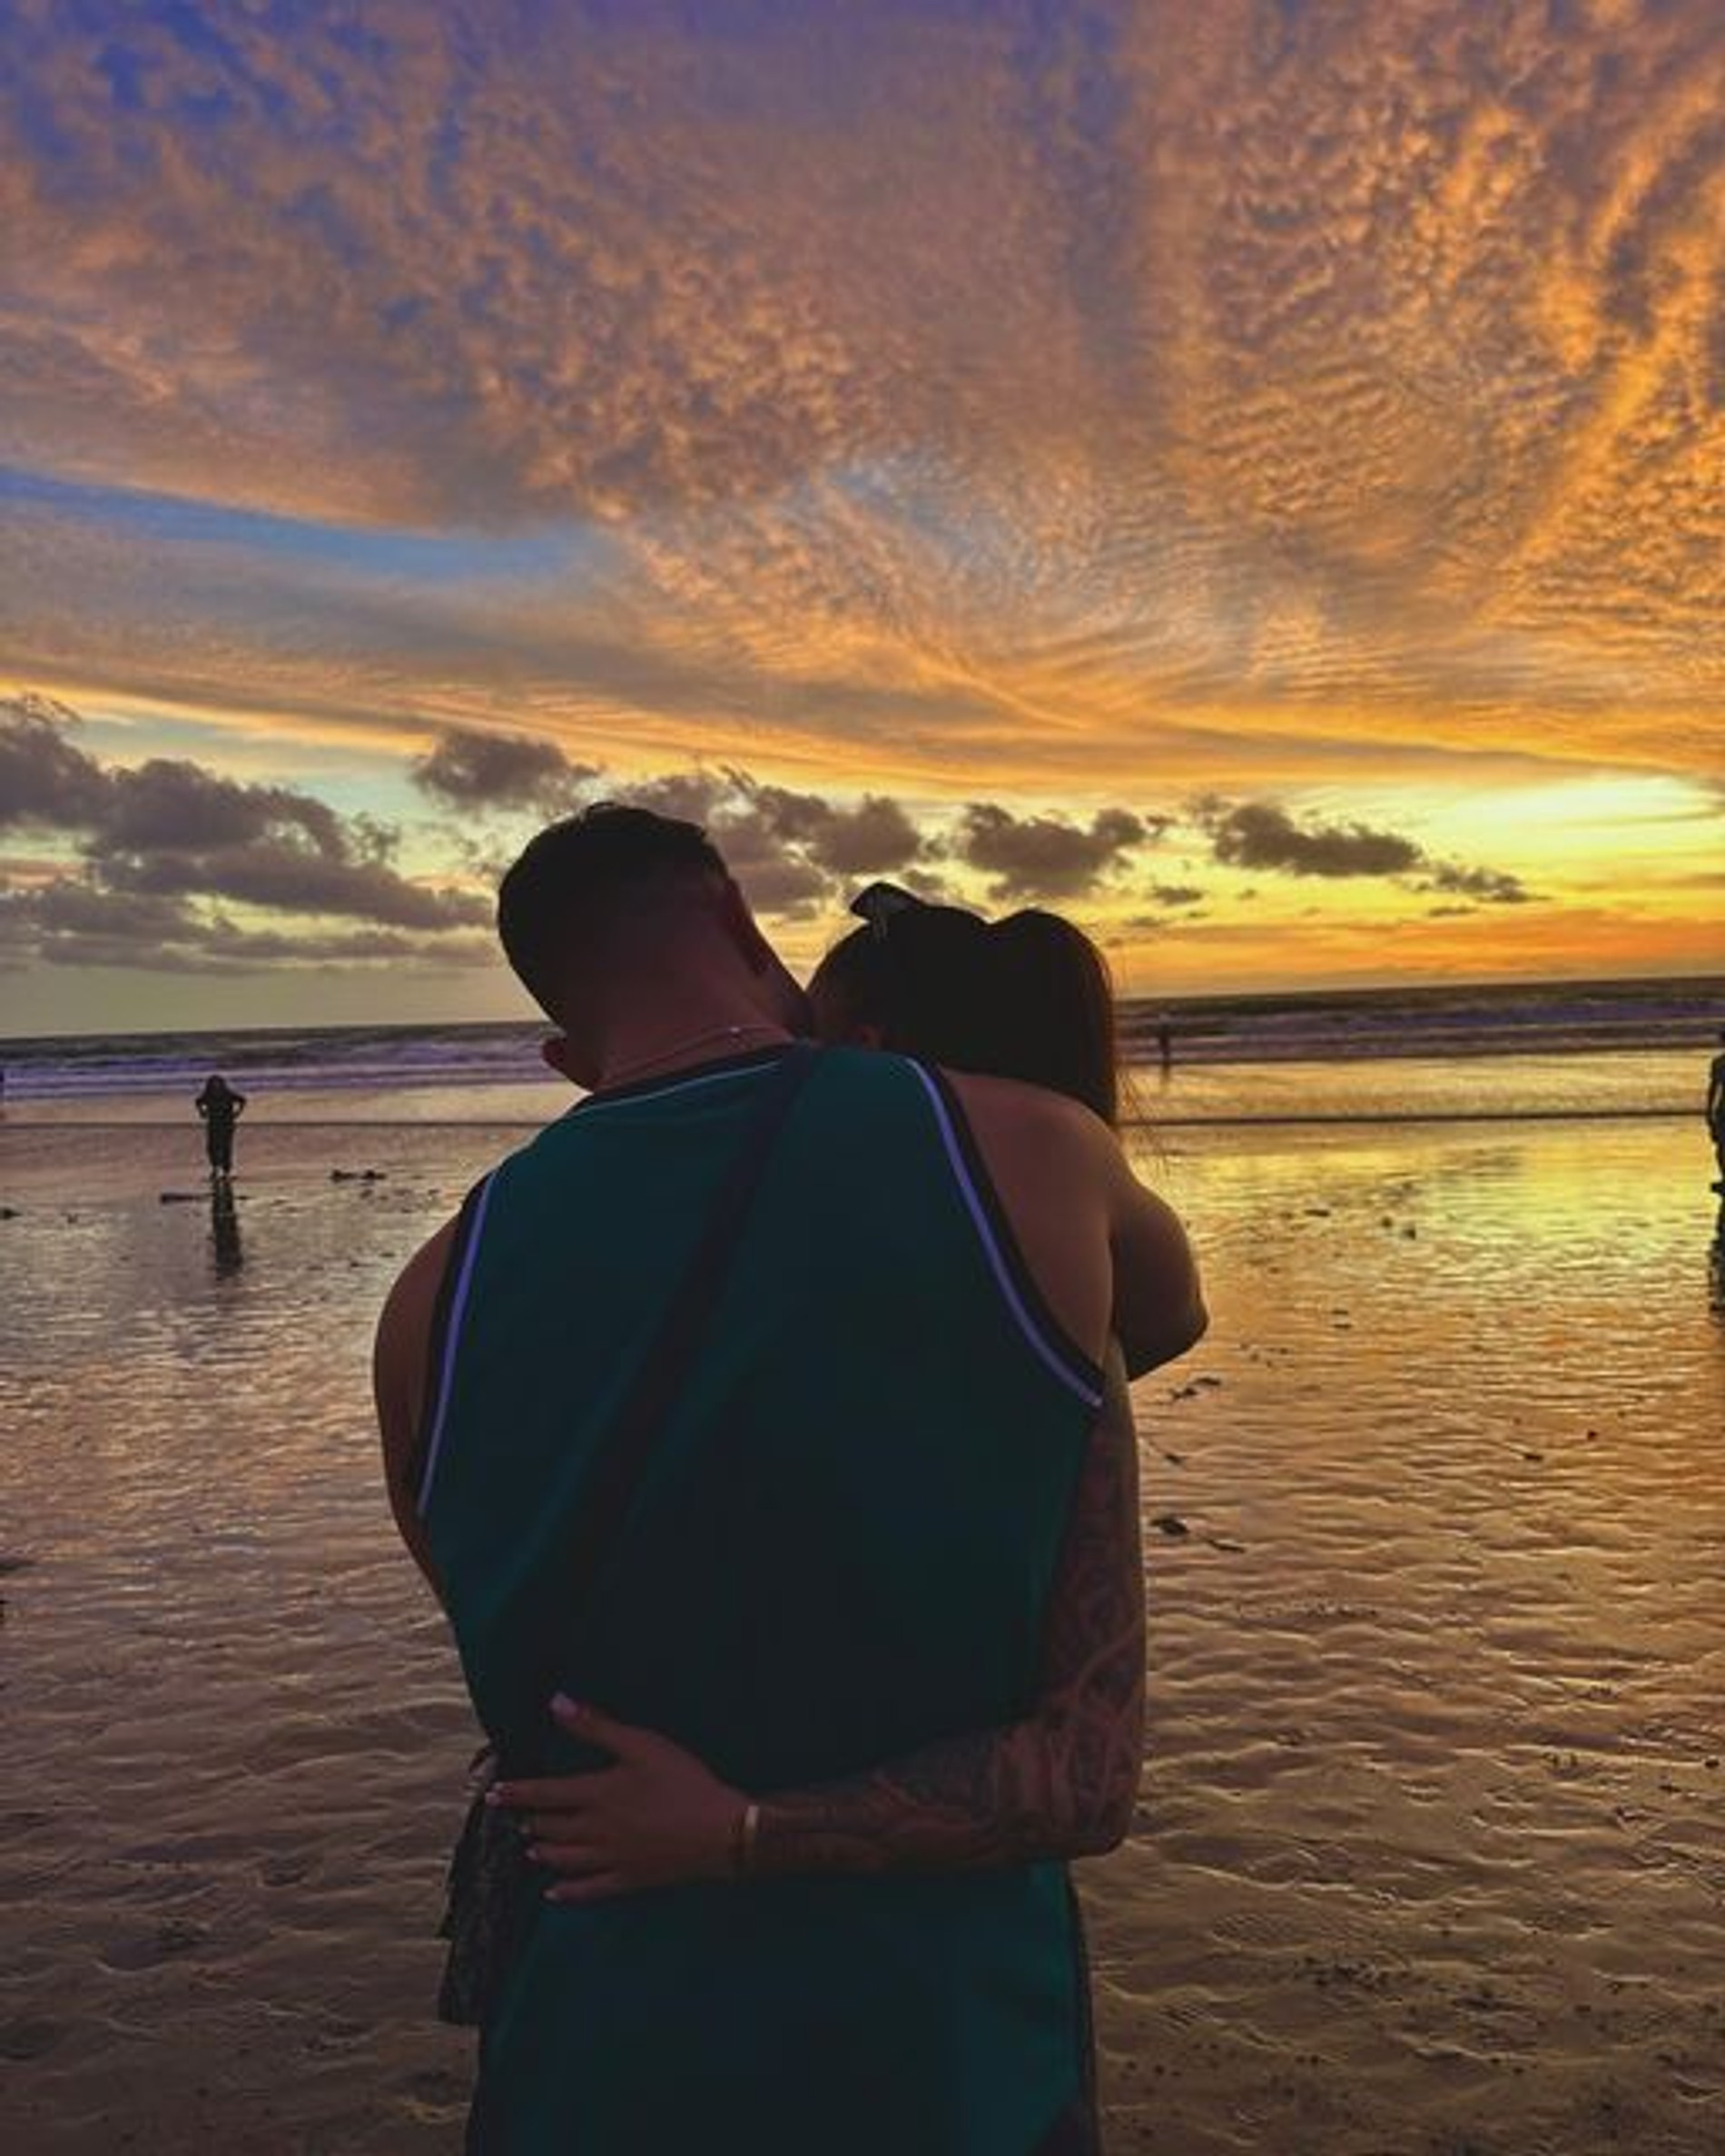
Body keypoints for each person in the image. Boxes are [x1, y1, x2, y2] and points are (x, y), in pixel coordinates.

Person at [374, 809, 1206, 2154]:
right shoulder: (1031, 1154)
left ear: (565, 1057)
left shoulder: (426, 1305)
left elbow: (513, 1636)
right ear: (740, 919)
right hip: (946, 2065)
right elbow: (1163, 1317)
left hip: (586, 2061)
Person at [193, 1073, 246, 1177]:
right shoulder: (208, 1096)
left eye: (217, 1084)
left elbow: (242, 1100)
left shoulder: (228, 1095)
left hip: (227, 1124)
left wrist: (238, 1112)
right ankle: (215, 1168)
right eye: (213, 1084)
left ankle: (226, 1171)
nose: (215, 1086)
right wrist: (202, 1112)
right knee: (212, 1147)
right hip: (213, 1124)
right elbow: (198, 1102)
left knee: (226, 1147)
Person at [1708, 1029, 1725, 1190]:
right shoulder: (1718, 1063)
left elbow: (1713, 1088)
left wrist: (1709, 1110)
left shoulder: (1718, 1063)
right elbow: (1713, 1088)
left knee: (1721, 1147)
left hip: (1722, 1109)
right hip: (1722, 1109)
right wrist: (1709, 1110)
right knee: (1721, 1146)